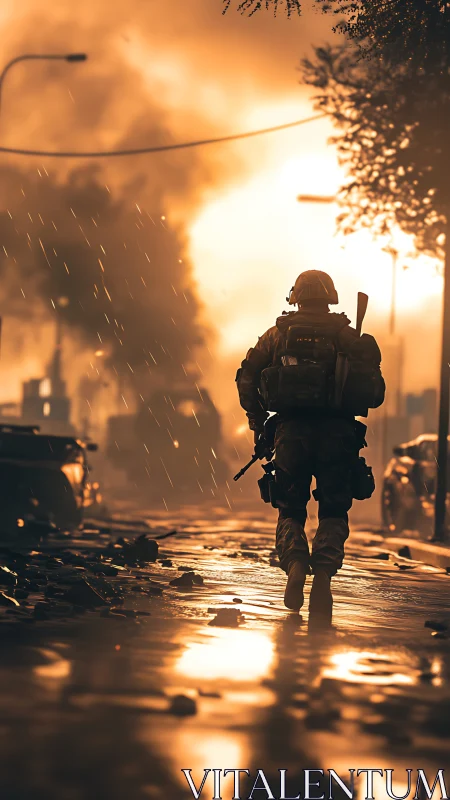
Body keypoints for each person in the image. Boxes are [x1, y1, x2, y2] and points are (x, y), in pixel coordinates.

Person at [236, 270, 385, 623]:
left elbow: (246, 378)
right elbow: (375, 394)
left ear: (295, 297)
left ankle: (296, 564)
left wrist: (259, 423)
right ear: (330, 297)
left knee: (290, 509)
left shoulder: (277, 335)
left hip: (290, 435)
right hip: (338, 437)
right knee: (333, 510)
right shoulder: (348, 337)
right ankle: (323, 578)